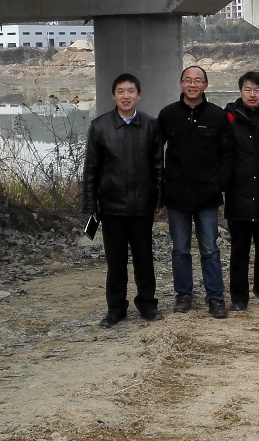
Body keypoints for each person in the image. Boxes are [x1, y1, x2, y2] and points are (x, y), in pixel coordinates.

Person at [81, 73, 164, 328]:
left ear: (139, 95)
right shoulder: (100, 126)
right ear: (113, 95)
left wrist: (158, 200)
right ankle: (116, 309)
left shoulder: (151, 125)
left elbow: (158, 167)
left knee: (144, 259)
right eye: (120, 91)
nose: (126, 96)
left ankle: (147, 305)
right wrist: (91, 205)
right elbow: (91, 169)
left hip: (142, 206)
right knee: (115, 262)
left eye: (130, 91)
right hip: (111, 207)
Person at [158, 65, 234, 318]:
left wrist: (220, 184)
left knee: (210, 249)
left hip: (207, 195)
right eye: (188, 80)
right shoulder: (168, 114)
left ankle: (216, 297)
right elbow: (155, 153)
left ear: (206, 85)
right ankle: (183, 295)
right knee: (180, 249)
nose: (192, 85)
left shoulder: (217, 115)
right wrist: (160, 190)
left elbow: (228, 153)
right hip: (176, 194)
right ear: (181, 84)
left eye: (198, 80)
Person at [223, 71, 259, 311]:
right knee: (239, 250)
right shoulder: (229, 118)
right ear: (240, 91)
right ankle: (239, 297)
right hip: (239, 194)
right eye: (248, 89)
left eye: (257, 90)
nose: (252, 94)